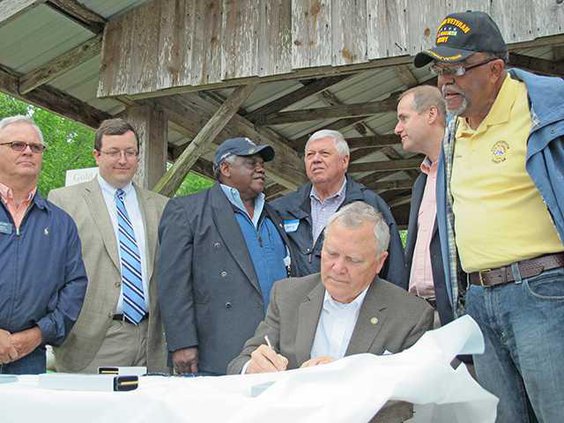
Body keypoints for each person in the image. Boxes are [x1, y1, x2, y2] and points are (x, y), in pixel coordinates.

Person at [414, 11, 564, 422]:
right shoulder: (452, 133)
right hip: (478, 300)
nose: (445, 81)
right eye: (439, 70)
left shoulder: (547, 111)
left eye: (457, 68)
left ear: (496, 69)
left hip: (542, 291)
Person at [227, 201, 433, 375]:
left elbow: (415, 389)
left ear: (380, 262)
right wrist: (251, 367)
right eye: (331, 254)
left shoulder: (411, 315)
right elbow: (240, 362)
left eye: (353, 260)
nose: (338, 268)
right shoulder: (288, 295)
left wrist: (345, 376)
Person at [158, 137, 292, 376]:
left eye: (262, 163)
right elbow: (173, 283)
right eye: (251, 163)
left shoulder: (274, 215)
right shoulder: (187, 211)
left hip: (276, 344)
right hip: (219, 347)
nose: (261, 168)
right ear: (225, 168)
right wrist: (181, 342)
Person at [48, 118, 168, 373]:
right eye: (114, 152)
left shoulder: (161, 206)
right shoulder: (64, 201)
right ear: (97, 155)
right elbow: (51, 271)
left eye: (130, 152)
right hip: (92, 341)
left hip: (152, 340)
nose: (123, 160)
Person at [0, 115, 87, 374]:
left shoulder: (61, 224)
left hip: (28, 358)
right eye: (17, 145)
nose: (28, 151)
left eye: (36, 147)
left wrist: (38, 334)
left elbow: (75, 286)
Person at [272, 129, 406, 287]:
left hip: (354, 304)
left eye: (324, 153)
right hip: (300, 305)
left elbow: (394, 267)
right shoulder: (284, 208)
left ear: (344, 161)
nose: (316, 159)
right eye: (310, 155)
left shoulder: (370, 205)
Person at [395, 85, 453, 327]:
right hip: (423, 312)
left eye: (403, 118)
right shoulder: (422, 180)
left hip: (457, 309)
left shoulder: (462, 165)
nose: (397, 129)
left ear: (431, 114)